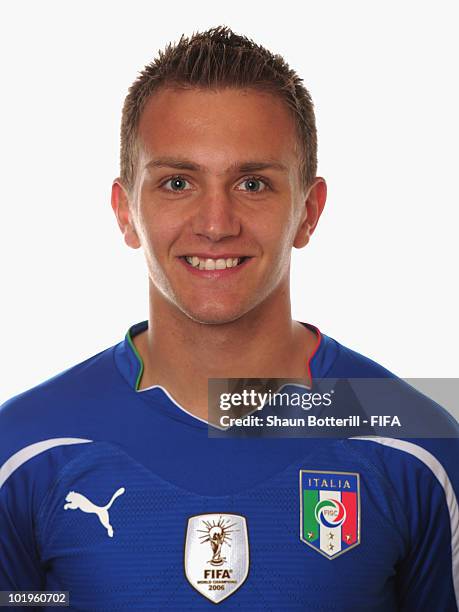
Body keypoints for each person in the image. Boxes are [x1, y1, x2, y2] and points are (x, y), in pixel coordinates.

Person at [0, 25, 457, 612]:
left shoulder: (412, 443)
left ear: (308, 212)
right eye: (177, 182)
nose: (216, 223)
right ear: (126, 212)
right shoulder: (27, 451)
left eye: (252, 183)